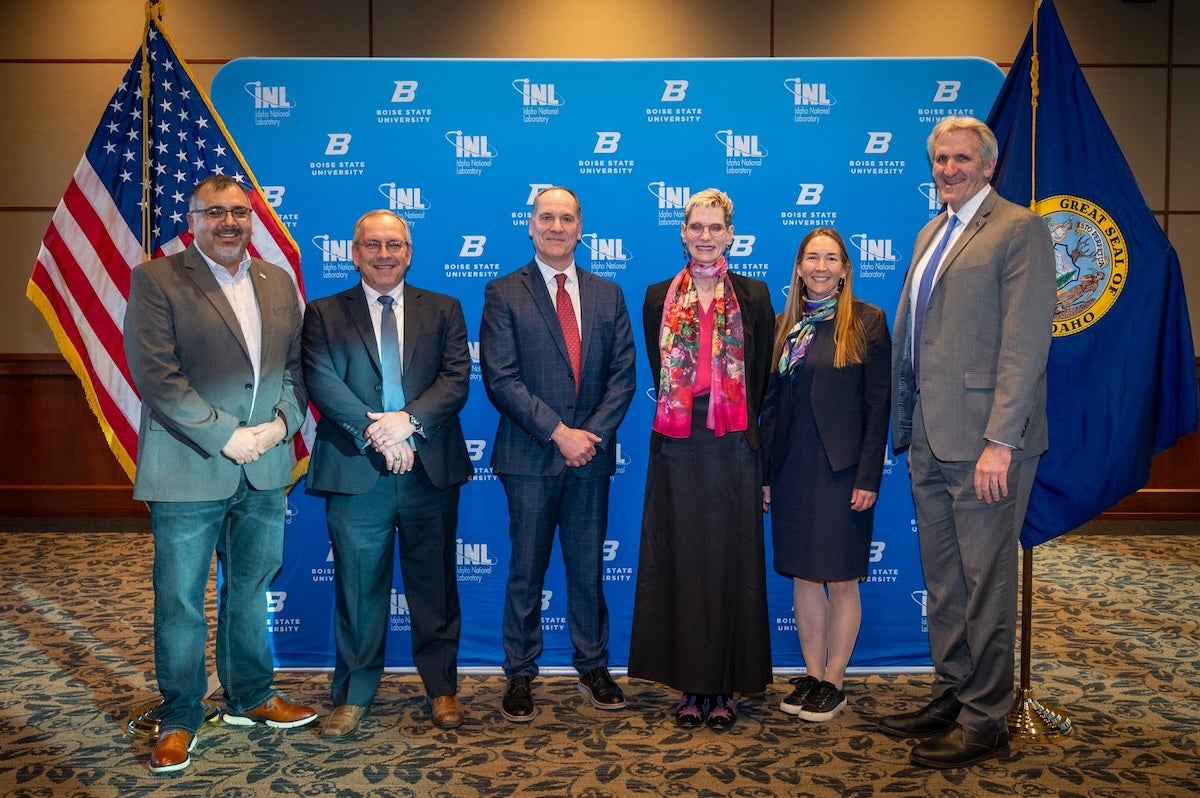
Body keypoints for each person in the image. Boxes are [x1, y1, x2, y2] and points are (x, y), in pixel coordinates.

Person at [124, 175, 317, 775]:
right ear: (192, 217)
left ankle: (250, 697)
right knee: (180, 599)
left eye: (239, 211)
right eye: (215, 212)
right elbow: (156, 374)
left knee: (252, 587)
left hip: (265, 466)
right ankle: (180, 713)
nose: (229, 222)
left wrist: (280, 427)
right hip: (189, 464)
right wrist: (224, 434)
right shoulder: (157, 278)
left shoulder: (277, 281)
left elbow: (294, 367)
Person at [878, 116, 1055, 768]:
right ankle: (951, 694)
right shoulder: (933, 230)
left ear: (988, 164)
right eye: (940, 159)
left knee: (984, 585)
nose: (948, 169)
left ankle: (985, 721)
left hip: (987, 446)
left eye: (960, 158)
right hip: (930, 435)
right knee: (946, 583)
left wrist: (1001, 442)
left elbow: (1025, 344)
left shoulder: (1019, 230)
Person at [302, 210, 473, 737]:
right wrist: (380, 433)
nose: (383, 254)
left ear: (410, 251)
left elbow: (456, 379)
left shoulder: (444, 308)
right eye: (372, 244)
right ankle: (353, 693)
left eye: (394, 244)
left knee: (435, 587)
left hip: (429, 469)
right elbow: (322, 380)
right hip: (358, 470)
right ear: (354, 253)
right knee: (357, 588)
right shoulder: (323, 312)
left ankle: (441, 688)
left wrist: (409, 423)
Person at [479, 186, 637, 722]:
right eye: (547, 217)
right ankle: (520, 673)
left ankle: (593, 665)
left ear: (580, 227)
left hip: (589, 456)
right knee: (526, 569)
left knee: (588, 567)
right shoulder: (503, 292)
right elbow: (501, 378)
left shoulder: (608, 294)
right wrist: (558, 433)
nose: (556, 226)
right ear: (530, 225)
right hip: (529, 456)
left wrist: (586, 436)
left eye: (566, 218)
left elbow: (623, 377)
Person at [628, 188, 776, 731]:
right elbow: (659, 368)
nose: (707, 236)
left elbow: (760, 382)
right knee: (683, 563)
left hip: (734, 442)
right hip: (678, 442)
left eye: (717, 227)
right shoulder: (657, 297)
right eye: (697, 227)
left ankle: (724, 686)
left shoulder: (755, 297)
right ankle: (691, 687)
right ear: (683, 233)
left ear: (731, 233)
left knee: (730, 565)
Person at [760, 227, 891, 723]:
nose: (820, 266)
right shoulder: (782, 327)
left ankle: (835, 679)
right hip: (792, 471)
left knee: (840, 578)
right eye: (812, 258)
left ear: (844, 270)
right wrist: (765, 473)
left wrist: (868, 477)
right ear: (798, 268)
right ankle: (813, 675)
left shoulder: (867, 322)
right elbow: (769, 409)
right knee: (804, 576)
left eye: (831, 258)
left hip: (843, 473)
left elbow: (878, 407)